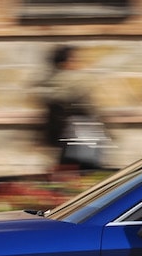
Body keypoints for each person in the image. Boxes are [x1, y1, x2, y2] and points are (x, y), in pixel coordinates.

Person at [36, 45, 110, 173]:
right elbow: (88, 109)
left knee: (69, 172)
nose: (79, 63)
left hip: (68, 137)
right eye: (74, 59)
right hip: (82, 136)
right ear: (64, 63)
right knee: (85, 172)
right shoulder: (77, 80)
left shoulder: (48, 82)